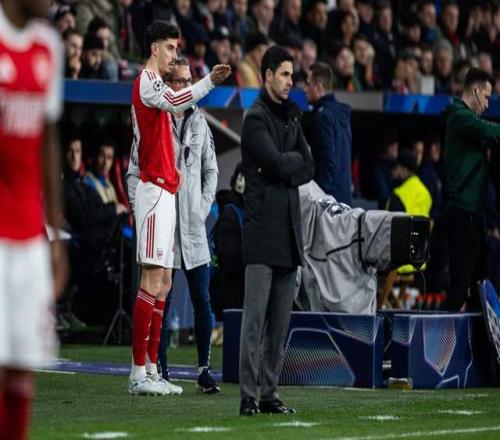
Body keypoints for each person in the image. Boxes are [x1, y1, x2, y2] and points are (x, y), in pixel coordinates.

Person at [126, 19, 230, 396]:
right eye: (170, 47)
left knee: (165, 283)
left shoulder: (161, 87)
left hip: (167, 191)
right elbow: (174, 100)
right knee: (151, 281)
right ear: (154, 47)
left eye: (176, 48)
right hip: (153, 190)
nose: (174, 54)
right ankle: (138, 372)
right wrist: (208, 82)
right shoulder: (147, 81)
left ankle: (153, 370)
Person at [0, 0, 68, 438]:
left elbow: (48, 138)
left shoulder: (48, 45)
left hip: (29, 237)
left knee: (22, 369)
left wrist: (55, 234)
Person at [239, 46, 314, 416]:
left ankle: (269, 394)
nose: (289, 81)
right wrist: (288, 166)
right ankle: (247, 397)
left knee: (280, 326)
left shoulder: (292, 116)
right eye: (284, 74)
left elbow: (308, 166)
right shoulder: (255, 118)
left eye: (291, 75)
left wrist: (287, 167)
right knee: (255, 323)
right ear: (267, 75)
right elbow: (276, 163)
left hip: (288, 234)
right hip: (261, 235)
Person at [442, 68, 500, 311]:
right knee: (460, 285)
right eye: (486, 97)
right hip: (461, 214)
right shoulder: (459, 116)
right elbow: (491, 131)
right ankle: (444, 335)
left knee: (479, 285)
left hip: (473, 215)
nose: (486, 104)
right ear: (475, 91)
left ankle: (478, 335)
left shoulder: (466, 122)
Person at [304, 62, 352, 205]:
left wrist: (320, 198)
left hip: (329, 202)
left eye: (308, 84)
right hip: (344, 198)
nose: (305, 89)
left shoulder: (323, 117)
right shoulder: (341, 115)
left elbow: (327, 161)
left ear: (318, 88)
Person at [210, 163, 246, 321]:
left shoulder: (243, 211)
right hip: (232, 296)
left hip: (236, 293)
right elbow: (229, 257)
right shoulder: (231, 214)